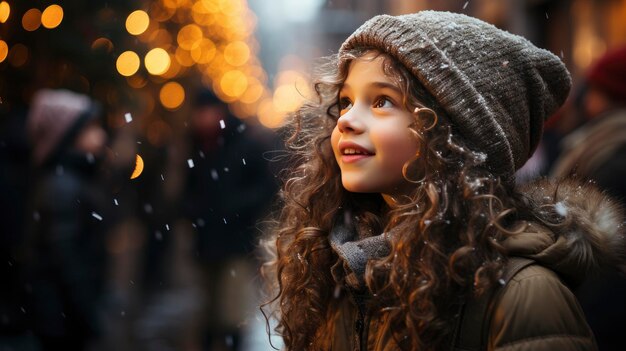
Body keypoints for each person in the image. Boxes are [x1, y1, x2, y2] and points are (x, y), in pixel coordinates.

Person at [261, 11, 625, 351]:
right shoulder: (340, 269)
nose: (346, 121)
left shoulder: (524, 294)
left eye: (383, 101)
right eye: (345, 101)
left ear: (455, 136)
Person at [182, 90, 277, 350]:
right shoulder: (197, 145)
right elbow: (189, 188)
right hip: (206, 239)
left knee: (230, 310)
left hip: (236, 240)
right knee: (209, 307)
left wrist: (235, 208)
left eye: (208, 112)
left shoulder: (244, 144)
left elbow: (266, 187)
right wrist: (194, 211)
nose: (203, 119)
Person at [549, 46, 626, 351]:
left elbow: (608, 256)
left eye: (595, 90)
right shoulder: (600, 142)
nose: (587, 99)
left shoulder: (613, 153)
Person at [22, 89, 110, 350]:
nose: (101, 135)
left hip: (65, 312)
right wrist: (87, 313)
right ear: (68, 136)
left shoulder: (75, 177)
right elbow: (66, 258)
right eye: (90, 128)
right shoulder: (63, 185)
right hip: (61, 316)